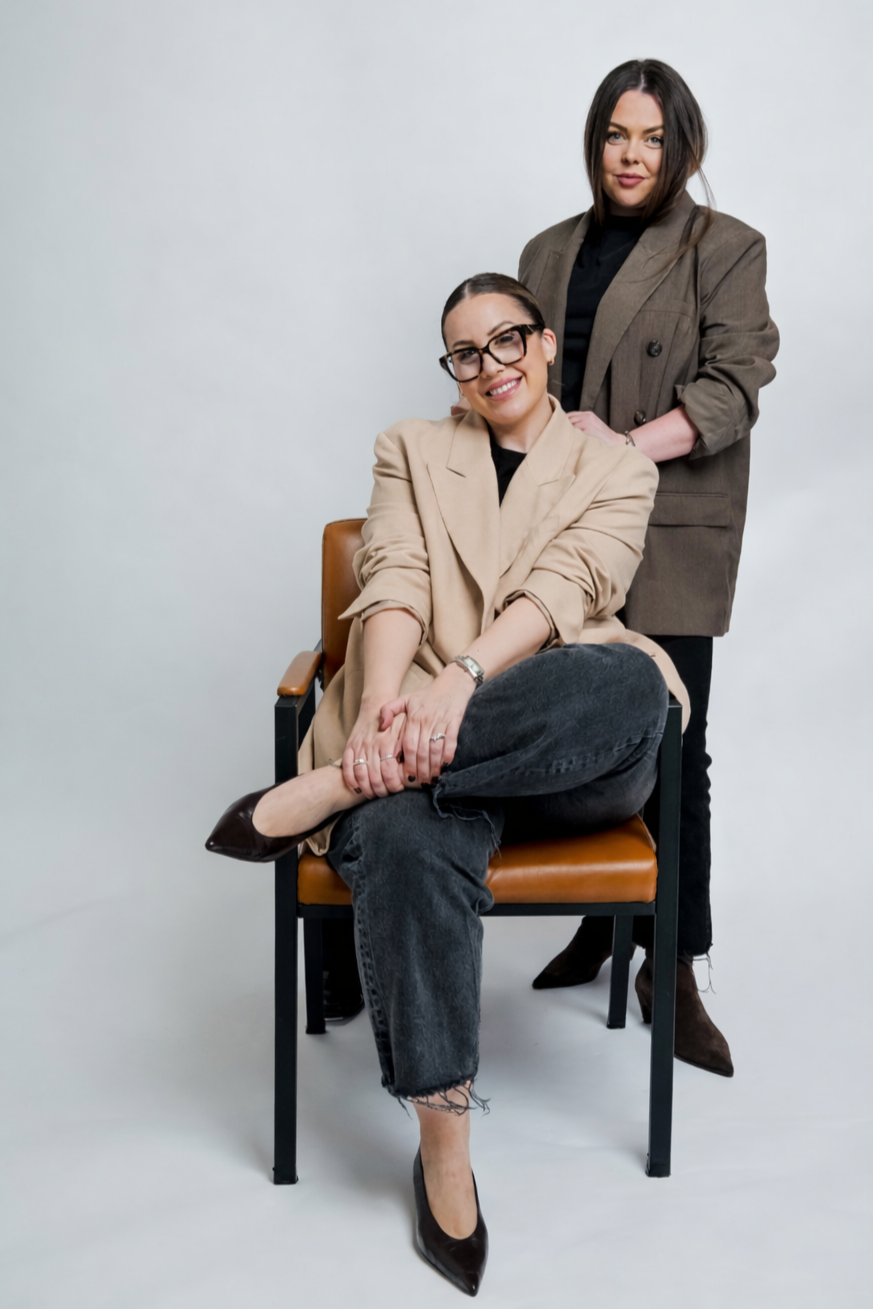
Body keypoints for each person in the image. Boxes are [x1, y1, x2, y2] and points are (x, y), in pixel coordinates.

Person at [206, 272, 688, 1296]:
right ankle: (444, 1144)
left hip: (562, 741)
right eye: (466, 352)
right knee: (408, 835)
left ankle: (336, 785)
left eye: (509, 339)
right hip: (415, 738)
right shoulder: (413, 449)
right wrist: (388, 706)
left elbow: (573, 587)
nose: (491, 365)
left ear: (548, 344)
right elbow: (393, 580)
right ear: (452, 371)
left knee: (628, 687)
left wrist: (460, 689)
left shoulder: (613, 465)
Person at [517, 60, 779, 1077]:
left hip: (667, 522)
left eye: (653, 139)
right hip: (557, 529)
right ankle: (601, 919)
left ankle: (669, 963)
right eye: (617, 136)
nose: (632, 156)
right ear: (595, 142)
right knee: (572, 729)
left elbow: (735, 386)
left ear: (683, 149)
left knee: (676, 744)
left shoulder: (725, 247)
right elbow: (513, 375)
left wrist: (623, 443)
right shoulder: (545, 250)